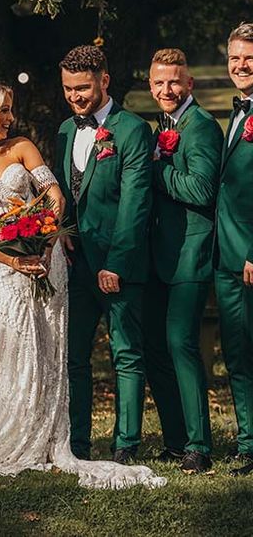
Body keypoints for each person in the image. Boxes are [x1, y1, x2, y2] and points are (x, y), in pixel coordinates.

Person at [0, 80, 164, 489]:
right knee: (12, 346)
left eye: (10, 110)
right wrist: (10, 257)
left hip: (45, 258)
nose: (10, 118)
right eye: (3, 110)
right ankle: (12, 435)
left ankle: (49, 437)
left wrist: (44, 239)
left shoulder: (22, 146)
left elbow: (54, 193)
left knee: (48, 345)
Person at [55, 45, 153, 464]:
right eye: (68, 89)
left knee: (126, 354)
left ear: (104, 81)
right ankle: (77, 443)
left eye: (82, 88)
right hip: (74, 267)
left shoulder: (132, 130)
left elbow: (136, 204)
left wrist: (117, 262)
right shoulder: (62, 130)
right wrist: (58, 233)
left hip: (118, 265)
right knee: (74, 357)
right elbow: (62, 193)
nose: (75, 96)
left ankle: (126, 444)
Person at [143, 48, 222, 473]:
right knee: (156, 347)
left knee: (181, 345)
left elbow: (202, 191)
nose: (166, 90)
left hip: (191, 252)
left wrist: (156, 170)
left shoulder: (202, 127)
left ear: (189, 83)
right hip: (158, 256)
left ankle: (199, 446)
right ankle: (175, 440)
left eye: (174, 82)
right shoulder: (163, 127)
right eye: (158, 83)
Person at [215, 22, 253, 477]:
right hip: (225, 257)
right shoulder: (237, 114)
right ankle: (247, 443)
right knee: (238, 354)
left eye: (249, 59)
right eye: (235, 59)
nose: (241, 67)